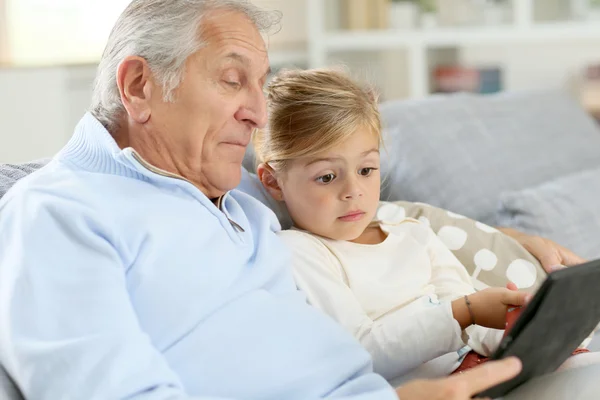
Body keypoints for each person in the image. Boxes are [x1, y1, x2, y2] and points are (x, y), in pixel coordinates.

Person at [0, 1, 590, 399]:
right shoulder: (59, 213)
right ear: (139, 87)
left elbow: (370, 210)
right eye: (234, 80)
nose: (257, 111)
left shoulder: (240, 192)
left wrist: (509, 239)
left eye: (261, 84)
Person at [254, 68, 599, 384]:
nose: (353, 191)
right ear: (272, 182)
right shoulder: (302, 252)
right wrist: (465, 312)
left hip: (488, 370)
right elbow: (362, 352)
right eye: (327, 177)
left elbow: (471, 317)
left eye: (366, 170)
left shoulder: (413, 232)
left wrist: (524, 331)